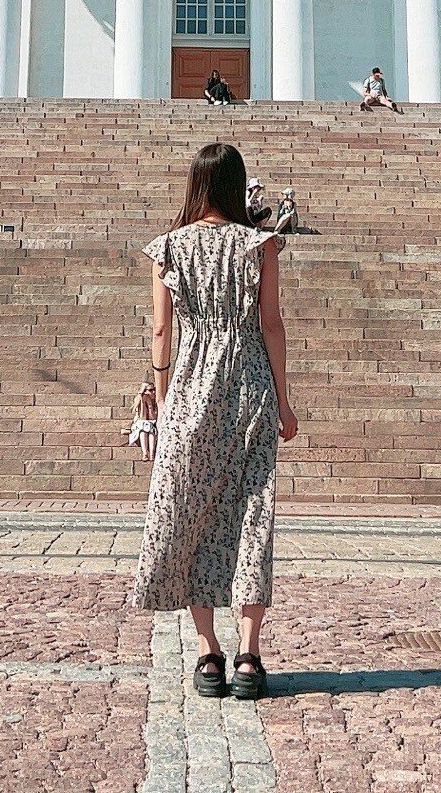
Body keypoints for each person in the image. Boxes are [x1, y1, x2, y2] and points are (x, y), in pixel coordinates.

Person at [130, 143, 297, 703]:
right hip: (250, 384)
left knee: (188, 514)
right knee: (253, 512)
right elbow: (271, 324)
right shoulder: (260, 244)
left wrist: (160, 393)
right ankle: (249, 656)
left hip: (191, 389)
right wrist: (284, 399)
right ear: (236, 185)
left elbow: (161, 335)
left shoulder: (169, 249)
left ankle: (208, 654)